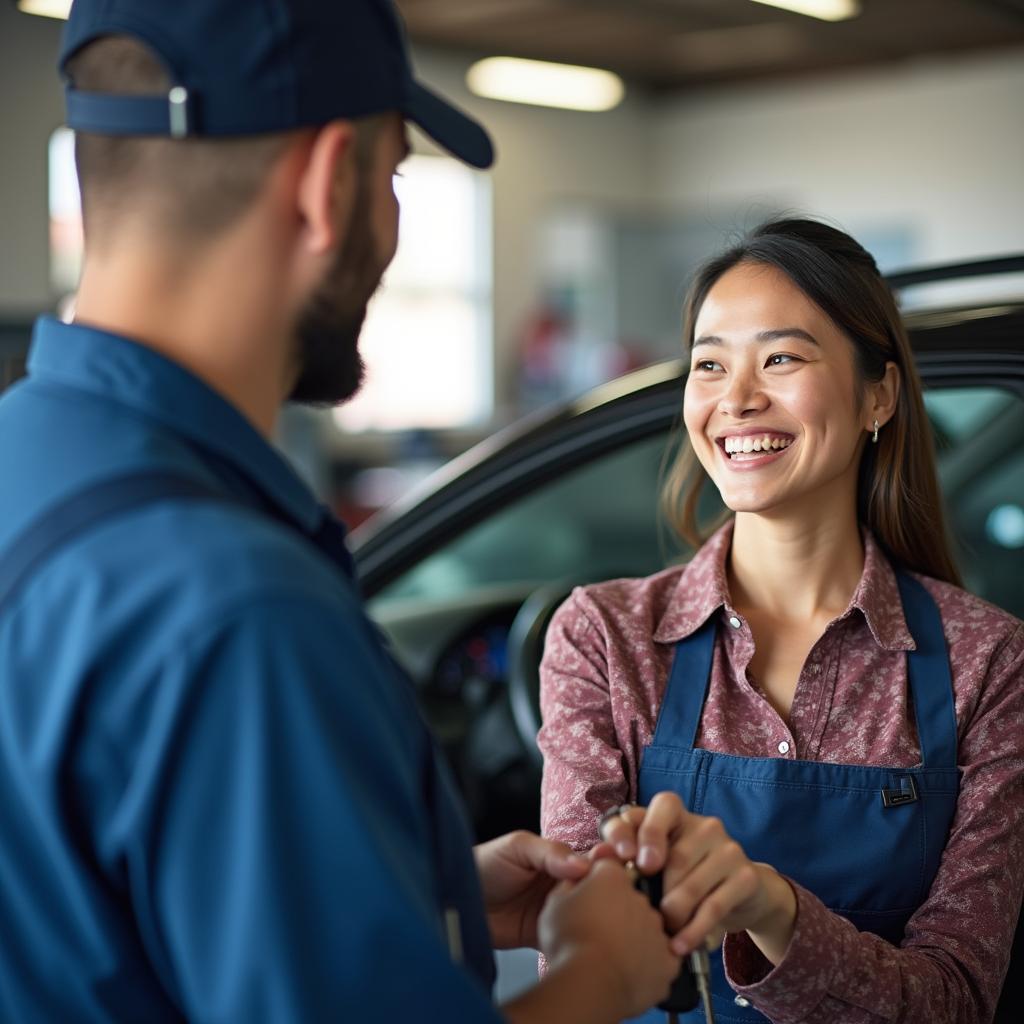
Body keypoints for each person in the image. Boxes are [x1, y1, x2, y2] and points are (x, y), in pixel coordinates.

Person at [0, 1, 683, 1021]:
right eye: (396, 175)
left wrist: (430, 891)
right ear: (329, 186)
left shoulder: (28, 461)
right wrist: (600, 979)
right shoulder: (242, 613)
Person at [538, 218, 1024, 1023]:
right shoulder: (606, 638)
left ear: (880, 394)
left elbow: (957, 1001)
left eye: (781, 358)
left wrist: (772, 910)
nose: (737, 398)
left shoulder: (988, 661)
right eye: (709, 365)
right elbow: (580, 956)